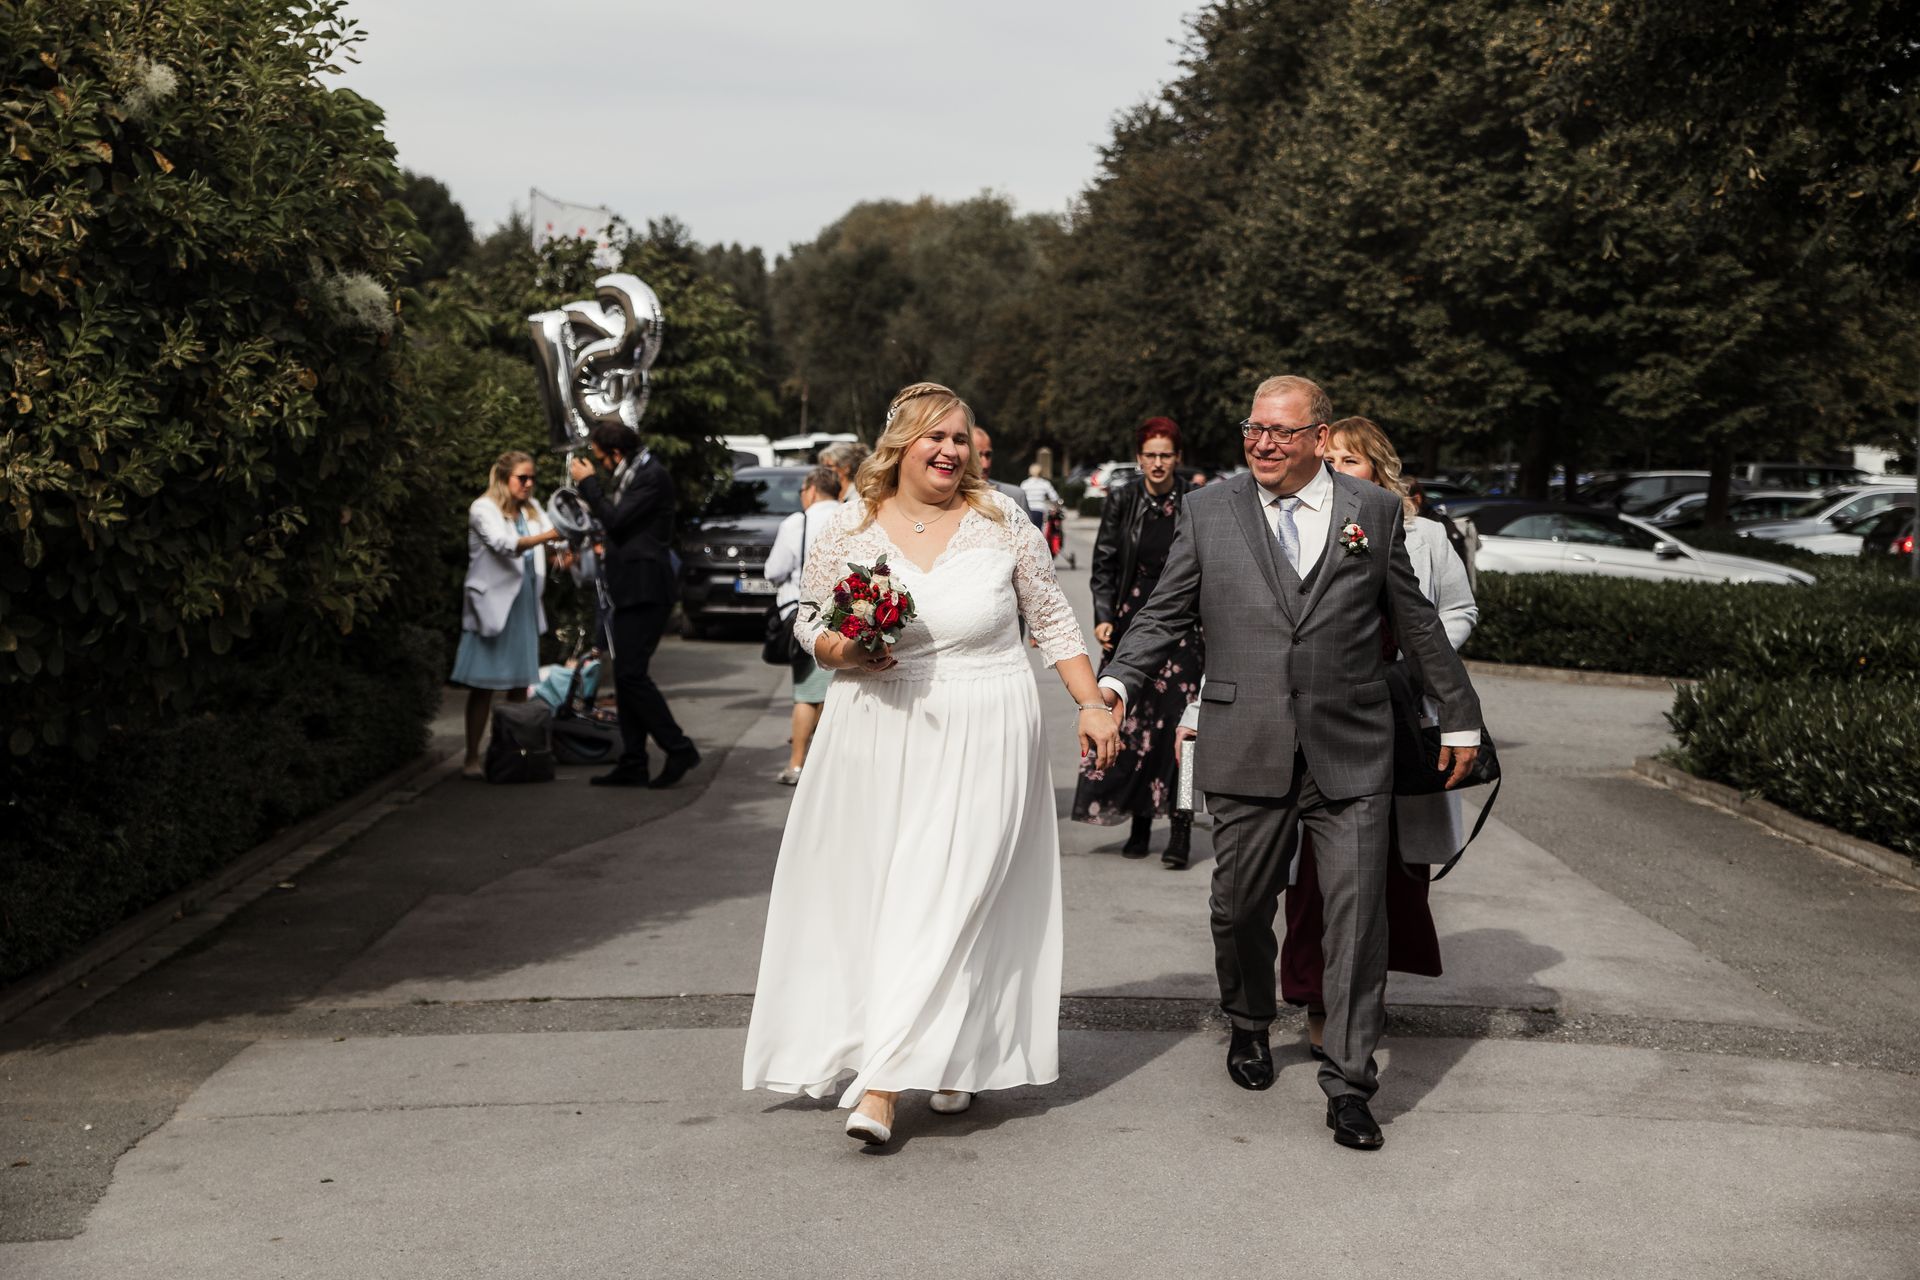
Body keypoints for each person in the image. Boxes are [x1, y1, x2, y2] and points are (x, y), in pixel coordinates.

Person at [1100, 375, 1482, 1152]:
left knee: (1356, 920)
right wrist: (1115, 685)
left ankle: (1348, 1082)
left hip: (1352, 746)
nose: (1263, 443)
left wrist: (1462, 717)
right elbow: (1165, 611)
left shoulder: (1371, 512)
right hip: (1246, 742)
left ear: (1318, 434)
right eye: (1253, 428)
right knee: (1238, 905)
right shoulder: (1211, 510)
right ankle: (1246, 1018)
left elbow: (1415, 621)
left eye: (1281, 431)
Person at [742, 381, 1121, 1148]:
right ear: (901, 443)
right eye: (934, 437)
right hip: (877, 728)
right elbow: (812, 623)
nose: (949, 450)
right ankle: (947, 1054)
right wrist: (848, 648)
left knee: (958, 893)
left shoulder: (999, 517)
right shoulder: (849, 523)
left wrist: (1091, 703)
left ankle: (882, 1084)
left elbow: (1049, 616)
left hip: (988, 721)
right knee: (893, 896)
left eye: (960, 437)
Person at [1272, 418, 1479, 1060]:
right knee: (1315, 871)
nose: (1335, 469)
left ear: (1380, 471)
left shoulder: (1422, 534)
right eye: (1328, 458)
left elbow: (1458, 610)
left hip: (1398, 717)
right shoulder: (1296, 525)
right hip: (1320, 718)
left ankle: (1365, 994)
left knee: (1387, 868)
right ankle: (1316, 995)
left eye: (1350, 461)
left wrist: (1416, 665)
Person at [1074, 418, 1203, 866]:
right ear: (1138, 457)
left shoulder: (1197, 501)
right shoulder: (1124, 497)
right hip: (1133, 623)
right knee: (1132, 728)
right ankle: (1141, 821)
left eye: (1166, 454)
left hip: (1187, 629)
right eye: (1150, 454)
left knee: (1184, 732)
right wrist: (1104, 615)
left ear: (1178, 458)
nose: (1158, 463)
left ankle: (1182, 827)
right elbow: (1104, 561)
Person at [569, 423, 701, 790]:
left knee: (630, 675)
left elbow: (615, 519)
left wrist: (588, 483)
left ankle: (678, 747)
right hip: (630, 588)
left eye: (600, 459)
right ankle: (633, 761)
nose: (600, 466)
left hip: (647, 589)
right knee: (627, 676)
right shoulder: (636, 473)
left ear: (614, 453)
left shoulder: (650, 475)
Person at [453, 451, 570, 779]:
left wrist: (561, 554)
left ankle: (511, 752)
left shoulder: (533, 509)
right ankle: (472, 756)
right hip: (494, 606)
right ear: (505, 478)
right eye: (523, 478)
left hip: (524, 606)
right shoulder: (483, 508)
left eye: (532, 478)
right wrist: (550, 538)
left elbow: (554, 544)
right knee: (483, 686)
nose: (529, 484)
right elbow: (503, 544)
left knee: (520, 684)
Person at [763, 465, 842, 785]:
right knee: (835, 693)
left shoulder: (799, 522)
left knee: (807, 694)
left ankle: (798, 765)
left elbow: (773, 570)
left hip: (807, 617)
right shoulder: (852, 514)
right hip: (847, 616)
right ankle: (828, 764)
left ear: (810, 490)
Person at [971, 424, 1031, 517]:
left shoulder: (1015, 497)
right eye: (977, 455)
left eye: (988, 455)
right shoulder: (947, 498)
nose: (985, 465)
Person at [1020, 463, 1063, 528]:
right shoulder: (1045, 483)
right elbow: (1054, 497)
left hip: (1027, 510)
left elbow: (1021, 496)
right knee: (1039, 529)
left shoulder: (1025, 483)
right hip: (1040, 509)